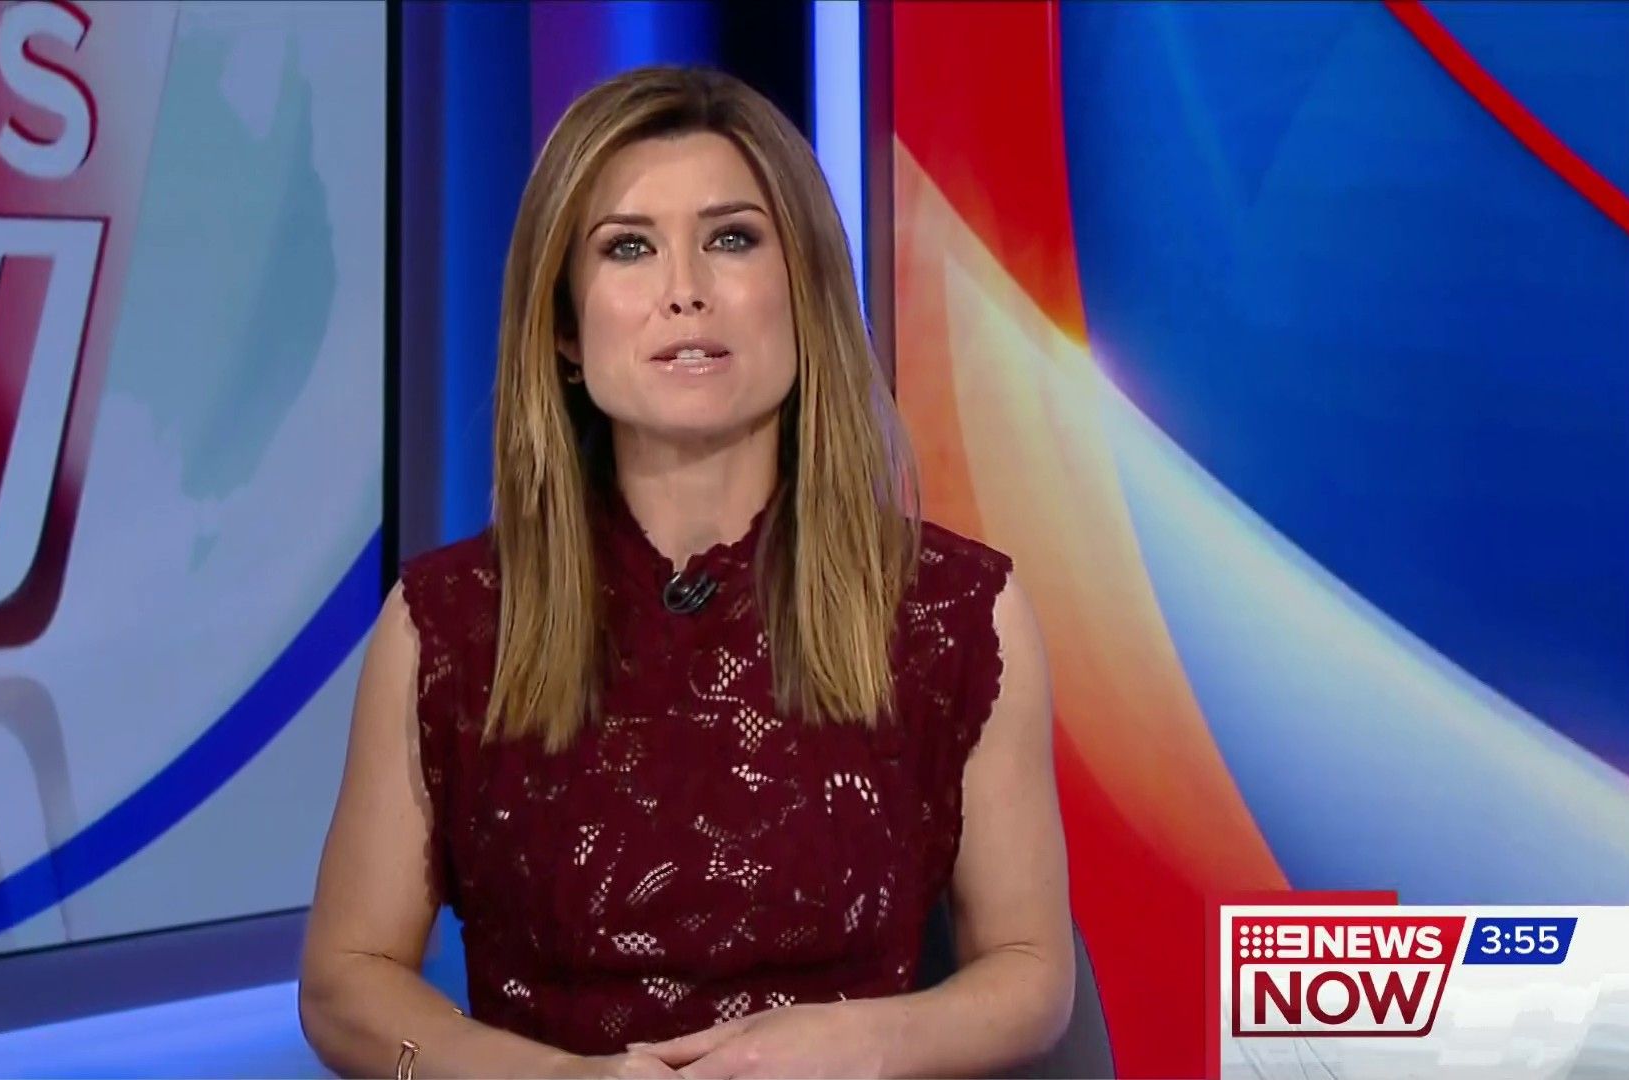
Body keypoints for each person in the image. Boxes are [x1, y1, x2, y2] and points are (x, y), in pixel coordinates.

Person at [299, 65, 1073, 1079]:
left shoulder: (956, 614)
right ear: (566, 329)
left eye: (732, 238)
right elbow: (345, 980)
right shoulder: (446, 626)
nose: (685, 290)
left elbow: (1032, 972)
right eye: (628, 247)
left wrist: (864, 1043)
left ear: (806, 293)